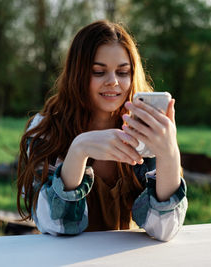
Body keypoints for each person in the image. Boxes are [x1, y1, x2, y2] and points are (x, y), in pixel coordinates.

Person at [16, 20, 187, 241]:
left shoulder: (145, 131)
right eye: (98, 72)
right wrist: (79, 150)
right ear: (77, 73)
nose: (113, 82)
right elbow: (56, 226)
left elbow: (163, 230)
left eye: (123, 72)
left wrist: (169, 154)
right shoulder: (46, 130)